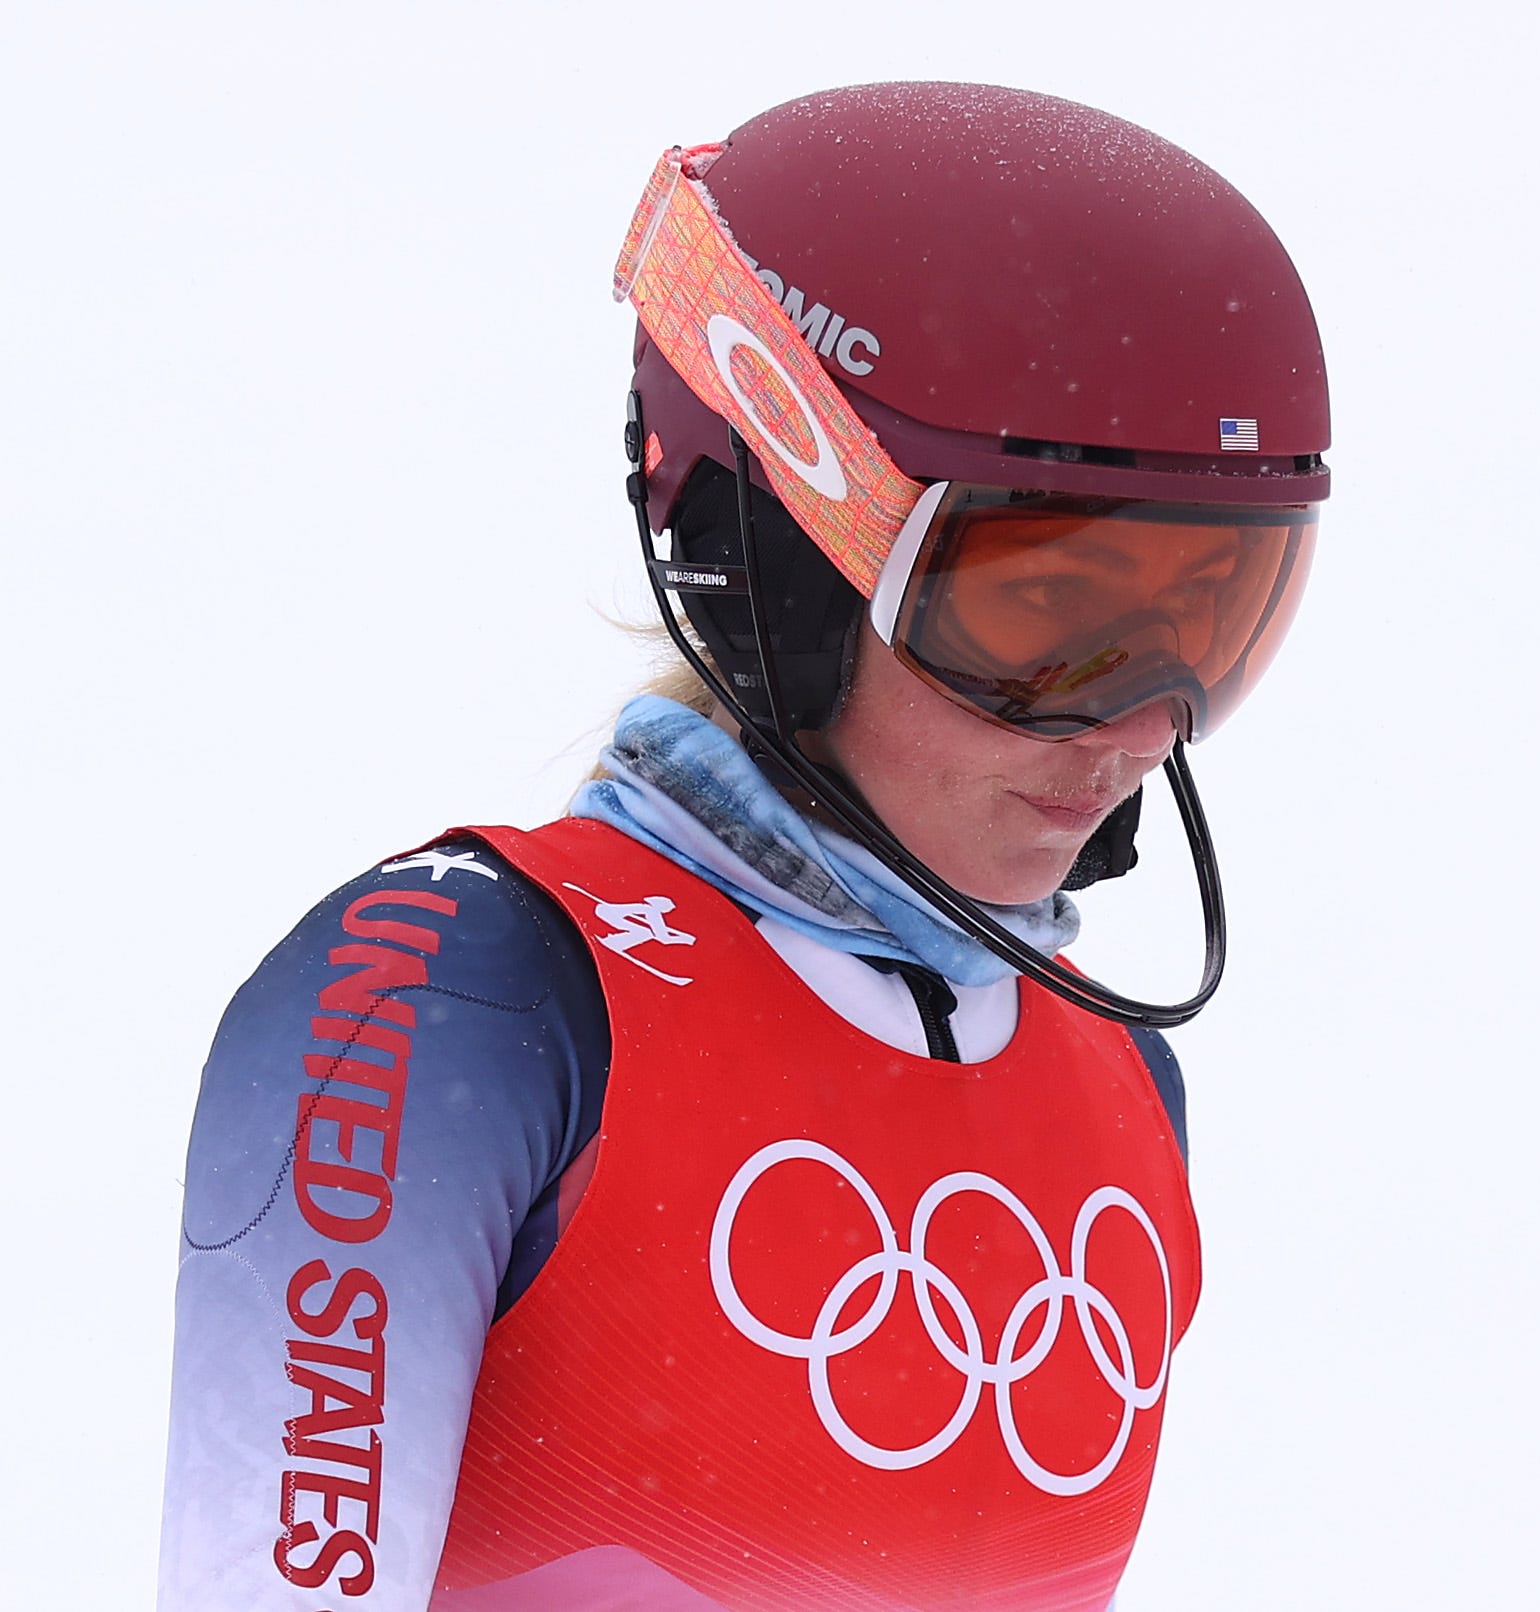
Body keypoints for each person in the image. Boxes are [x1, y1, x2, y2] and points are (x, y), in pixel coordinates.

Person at [158, 81, 1330, 1611]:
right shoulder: (463, 995)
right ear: (775, 564)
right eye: (1043, 612)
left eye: (1211, 625)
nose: (1138, 729)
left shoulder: (1118, 1084)